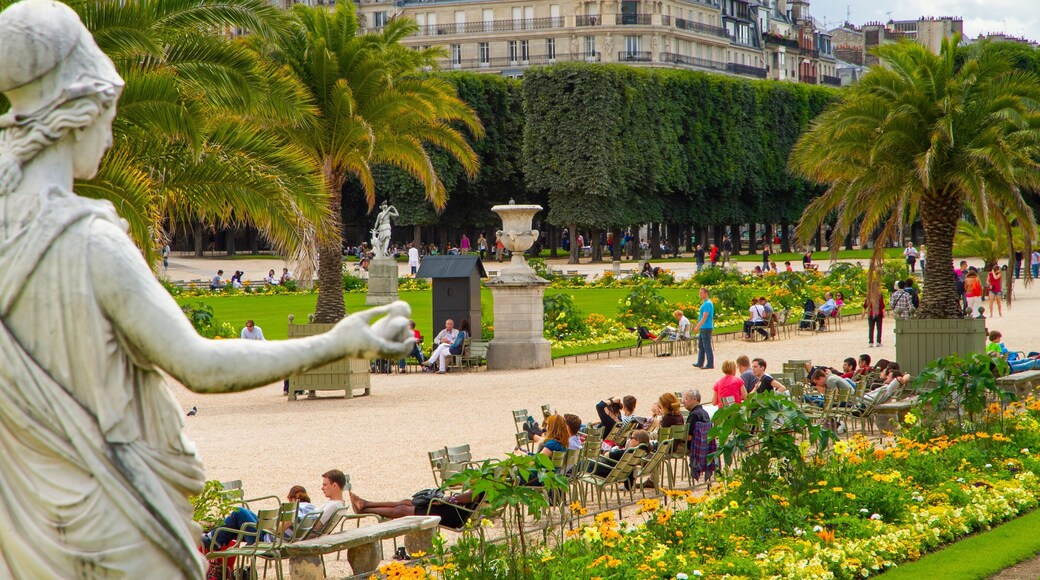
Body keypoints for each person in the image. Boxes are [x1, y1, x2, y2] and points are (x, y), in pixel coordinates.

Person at [349, 488, 485, 531]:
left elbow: (466, 497)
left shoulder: (482, 489)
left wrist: (445, 499)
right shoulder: (490, 489)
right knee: (406, 502)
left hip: (453, 516)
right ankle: (365, 504)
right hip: (454, 512)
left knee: (402, 510)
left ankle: (364, 508)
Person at [692, 287, 715, 369]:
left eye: (702, 293)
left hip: (706, 327)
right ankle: (700, 362)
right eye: (700, 293)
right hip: (704, 327)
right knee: (701, 345)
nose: (700, 294)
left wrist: (697, 326)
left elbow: (705, 316)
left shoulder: (707, 303)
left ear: (706, 293)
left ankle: (710, 364)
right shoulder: (705, 303)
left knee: (707, 346)